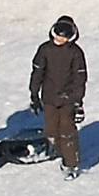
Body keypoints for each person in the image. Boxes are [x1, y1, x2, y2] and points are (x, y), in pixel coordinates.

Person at [30, 16, 86, 178]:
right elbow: (37, 73)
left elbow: (80, 78)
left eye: (64, 37)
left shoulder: (75, 53)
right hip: (49, 97)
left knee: (67, 130)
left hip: (68, 98)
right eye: (57, 35)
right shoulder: (45, 50)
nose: (60, 39)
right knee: (51, 130)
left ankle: (71, 164)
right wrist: (34, 94)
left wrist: (78, 102)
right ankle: (60, 151)